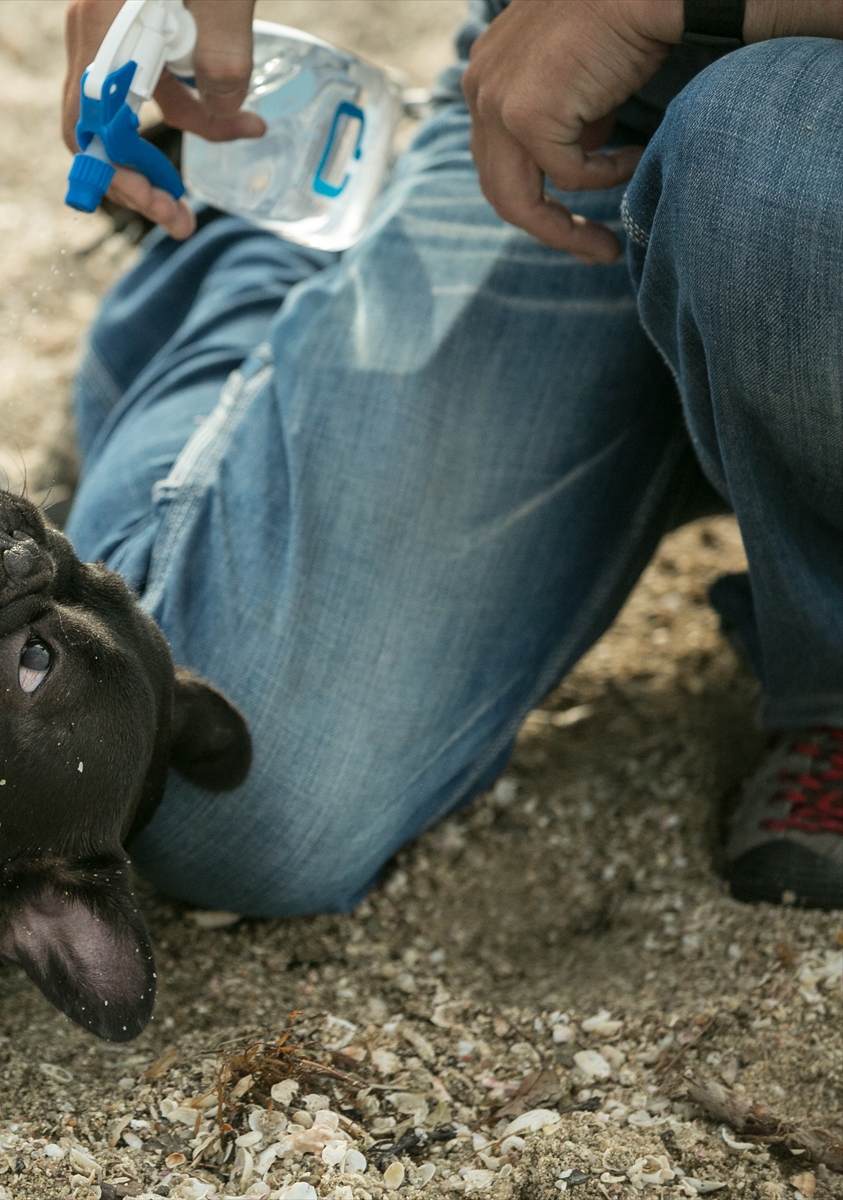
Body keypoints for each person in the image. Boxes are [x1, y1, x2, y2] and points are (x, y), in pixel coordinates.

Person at [58, 0, 843, 913]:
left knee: (773, 160)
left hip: (779, 138)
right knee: (217, 793)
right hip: (562, 96)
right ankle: (255, 240)